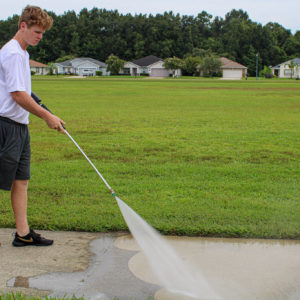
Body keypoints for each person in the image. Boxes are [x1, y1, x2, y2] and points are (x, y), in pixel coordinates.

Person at [0, 5, 65, 247]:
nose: (40, 36)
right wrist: (46, 117)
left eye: (43, 33)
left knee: (21, 181)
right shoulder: (14, 53)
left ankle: (23, 233)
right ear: (23, 26)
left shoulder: (23, 53)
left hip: (19, 126)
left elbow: (23, 90)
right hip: (5, 126)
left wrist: (44, 109)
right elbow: (17, 94)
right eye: (37, 31)